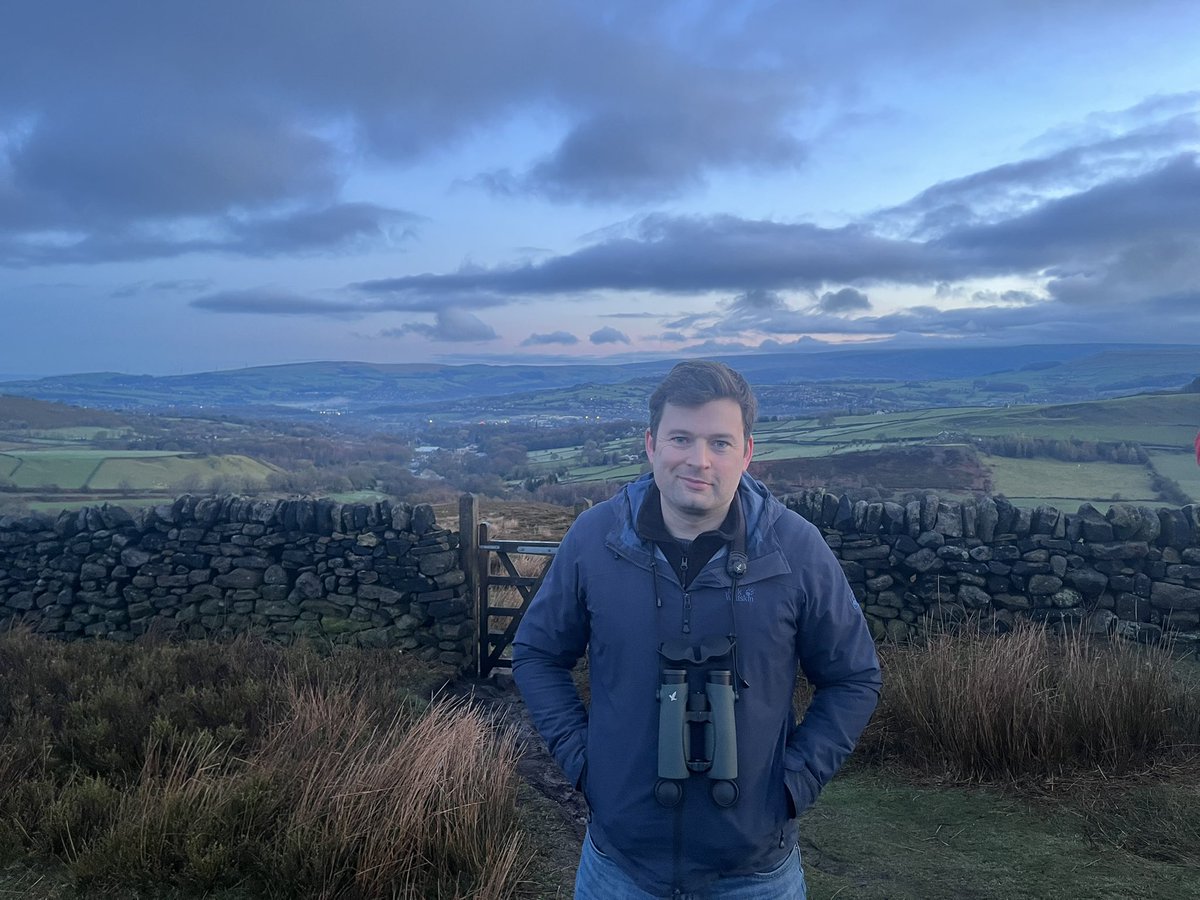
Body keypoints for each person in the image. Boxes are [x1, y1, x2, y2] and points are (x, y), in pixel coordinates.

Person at [513, 360, 882, 898]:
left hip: (755, 874)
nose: (698, 460)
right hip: (619, 868)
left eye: (720, 442)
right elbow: (536, 653)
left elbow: (855, 676)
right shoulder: (595, 539)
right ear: (651, 444)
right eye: (681, 438)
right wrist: (586, 763)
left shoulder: (794, 549)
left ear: (747, 453)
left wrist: (792, 786)